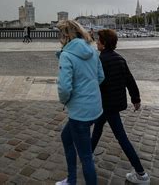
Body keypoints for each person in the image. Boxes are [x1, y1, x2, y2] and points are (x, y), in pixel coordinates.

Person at [92, 29, 150, 184]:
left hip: (107, 104)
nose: (96, 42)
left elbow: (95, 84)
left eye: (98, 40)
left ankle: (141, 174)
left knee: (122, 137)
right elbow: (129, 80)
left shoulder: (100, 61)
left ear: (104, 44)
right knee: (98, 126)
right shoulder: (120, 59)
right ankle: (88, 154)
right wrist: (135, 98)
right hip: (115, 102)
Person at [55, 20, 104, 185]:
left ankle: (73, 180)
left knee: (86, 157)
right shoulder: (92, 50)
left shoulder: (66, 55)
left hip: (80, 113)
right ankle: (71, 179)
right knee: (66, 137)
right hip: (95, 108)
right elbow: (100, 77)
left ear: (65, 35)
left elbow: (64, 88)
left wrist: (66, 101)